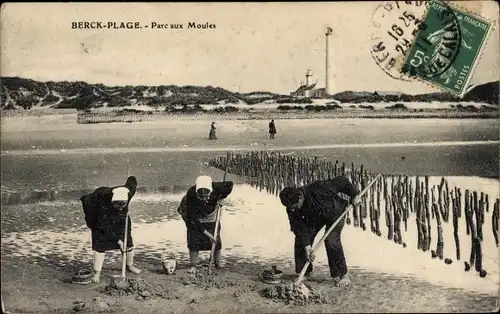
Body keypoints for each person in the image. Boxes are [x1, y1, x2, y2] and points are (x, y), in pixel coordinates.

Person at [278, 176, 361, 287]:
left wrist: (354, 195)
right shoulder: (291, 208)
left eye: (294, 207)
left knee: (331, 241)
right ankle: (305, 272)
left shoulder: (318, 189)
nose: (292, 210)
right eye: (290, 208)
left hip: (335, 212)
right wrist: (307, 246)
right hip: (314, 218)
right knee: (301, 242)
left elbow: (342, 181)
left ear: (300, 198)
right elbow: (298, 227)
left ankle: (342, 275)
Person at [80, 176, 141, 283]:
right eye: (118, 205)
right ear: (112, 202)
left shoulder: (128, 192)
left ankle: (130, 265)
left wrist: (131, 178)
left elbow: (132, 182)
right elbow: (103, 227)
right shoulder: (102, 203)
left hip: (120, 218)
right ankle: (97, 273)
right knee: (100, 241)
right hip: (96, 215)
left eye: (123, 205)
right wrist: (118, 241)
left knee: (127, 240)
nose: (121, 208)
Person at [177, 175, 234, 273]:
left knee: (216, 241)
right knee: (194, 241)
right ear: (197, 193)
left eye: (206, 196)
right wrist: (207, 234)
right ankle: (193, 266)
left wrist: (222, 197)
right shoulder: (191, 195)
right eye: (201, 197)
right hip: (193, 215)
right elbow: (193, 220)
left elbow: (230, 184)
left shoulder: (218, 188)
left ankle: (217, 264)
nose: (204, 199)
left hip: (211, 213)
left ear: (211, 191)